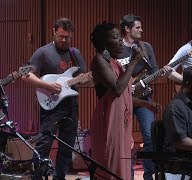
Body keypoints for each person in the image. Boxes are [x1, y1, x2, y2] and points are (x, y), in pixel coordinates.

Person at [23, 17, 90, 179]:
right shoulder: (43, 52)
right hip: (51, 107)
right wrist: (47, 86)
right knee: (44, 145)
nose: (64, 40)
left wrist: (86, 78)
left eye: (67, 37)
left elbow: (85, 78)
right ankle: (36, 177)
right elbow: (26, 75)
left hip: (71, 106)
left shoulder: (75, 53)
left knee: (66, 148)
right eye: (61, 37)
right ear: (54, 32)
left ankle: (59, 177)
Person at [118, 14, 171, 180]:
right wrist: (127, 85)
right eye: (138, 27)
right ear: (127, 29)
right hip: (123, 99)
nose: (141, 30)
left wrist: (163, 72)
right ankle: (128, 175)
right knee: (123, 140)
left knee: (149, 136)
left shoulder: (145, 47)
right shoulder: (117, 48)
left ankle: (149, 176)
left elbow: (154, 71)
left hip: (144, 98)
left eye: (141, 27)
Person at [90, 21, 142, 180]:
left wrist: (147, 104)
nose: (121, 41)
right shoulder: (99, 60)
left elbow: (124, 94)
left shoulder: (115, 62)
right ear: (104, 43)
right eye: (116, 38)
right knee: (112, 166)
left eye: (120, 37)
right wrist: (133, 62)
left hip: (121, 121)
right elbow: (117, 89)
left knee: (122, 165)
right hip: (109, 121)